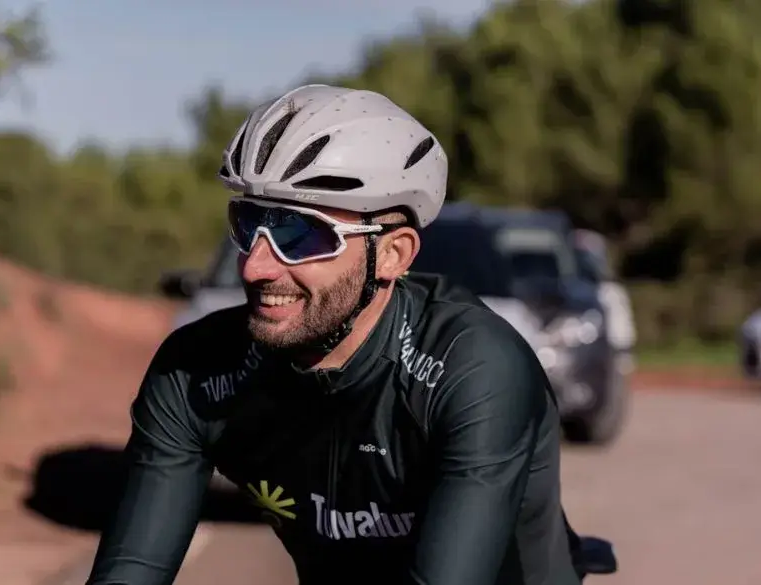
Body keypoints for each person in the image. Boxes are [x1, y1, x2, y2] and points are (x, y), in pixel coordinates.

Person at [86, 84, 582, 585]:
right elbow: (130, 572)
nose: (256, 266)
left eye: (301, 234)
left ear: (392, 255)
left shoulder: (474, 368)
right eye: (249, 223)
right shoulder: (196, 370)